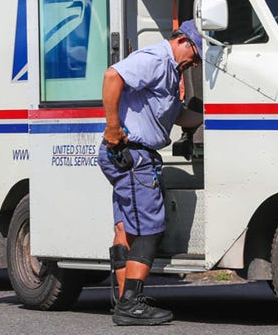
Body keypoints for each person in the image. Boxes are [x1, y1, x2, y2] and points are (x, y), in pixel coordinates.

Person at [97, 19, 203, 326]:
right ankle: (131, 303)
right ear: (182, 40)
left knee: (127, 229)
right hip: (133, 154)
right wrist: (113, 127)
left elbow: (177, 115)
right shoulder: (157, 59)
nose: (195, 62)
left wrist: (213, 116)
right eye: (195, 54)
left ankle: (122, 300)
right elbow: (112, 76)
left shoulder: (172, 72)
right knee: (150, 229)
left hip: (131, 154)